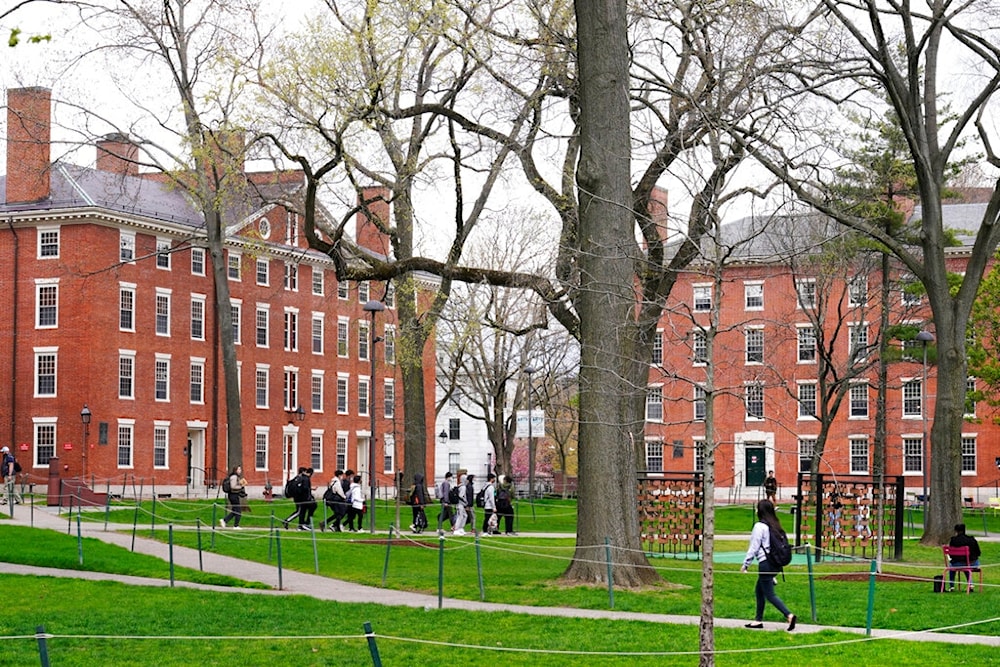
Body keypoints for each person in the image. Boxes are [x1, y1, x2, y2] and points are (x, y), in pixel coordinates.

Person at [741, 499, 796, 631]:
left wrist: (745, 564)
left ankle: (789, 615)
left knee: (769, 594)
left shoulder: (759, 526)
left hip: (766, 563)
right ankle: (757, 620)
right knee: (759, 590)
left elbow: (754, 547)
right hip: (776, 564)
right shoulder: (775, 525)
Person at [947, 523, 982, 591]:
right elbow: (978, 553)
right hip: (972, 563)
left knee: (952, 566)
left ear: (956, 531)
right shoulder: (971, 540)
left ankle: (952, 586)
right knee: (966, 565)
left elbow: (951, 555)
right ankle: (970, 584)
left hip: (958, 564)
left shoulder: (953, 540)